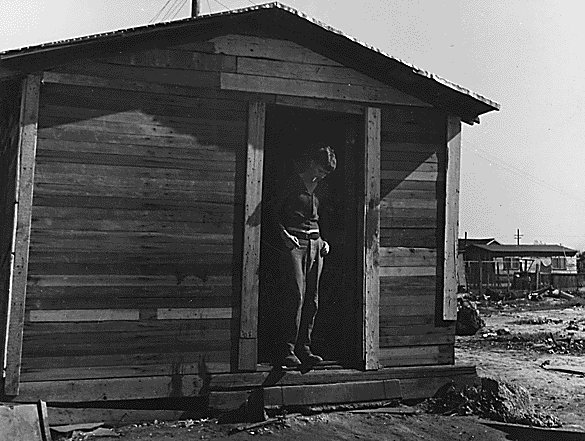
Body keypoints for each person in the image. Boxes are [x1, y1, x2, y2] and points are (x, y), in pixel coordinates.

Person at [270, 144, 337, 367]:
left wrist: (324, 241)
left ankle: (304, 348)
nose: (322, 175)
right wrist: (284, 235)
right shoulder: (291, 183)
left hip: (316, 246)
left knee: (312, 299)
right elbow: (271, 213)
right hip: (294, 244)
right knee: (295, 296)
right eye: (320, 170)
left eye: (326, 173)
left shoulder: (322, 189)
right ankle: (286, 349)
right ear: (311, 163)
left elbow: (326, 218)